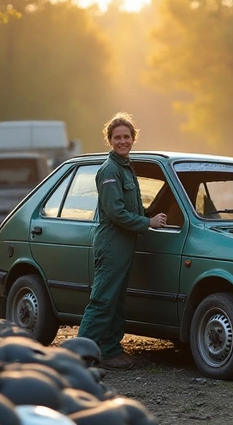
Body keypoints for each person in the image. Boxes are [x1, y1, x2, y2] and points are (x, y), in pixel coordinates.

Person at [77, 112, 167, 370]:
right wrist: (147, 223)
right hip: (112, 243)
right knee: (103, 299)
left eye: (127, 136)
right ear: (110, 140)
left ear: (133, 138)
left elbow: (133, 207)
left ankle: (109, 350)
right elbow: (115, 212)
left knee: (116, 300)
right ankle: (76, 356)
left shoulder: (126, 168)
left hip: (124, 244)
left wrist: (150, 215)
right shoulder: (110, 170)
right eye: (117, 137)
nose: (122, 141)